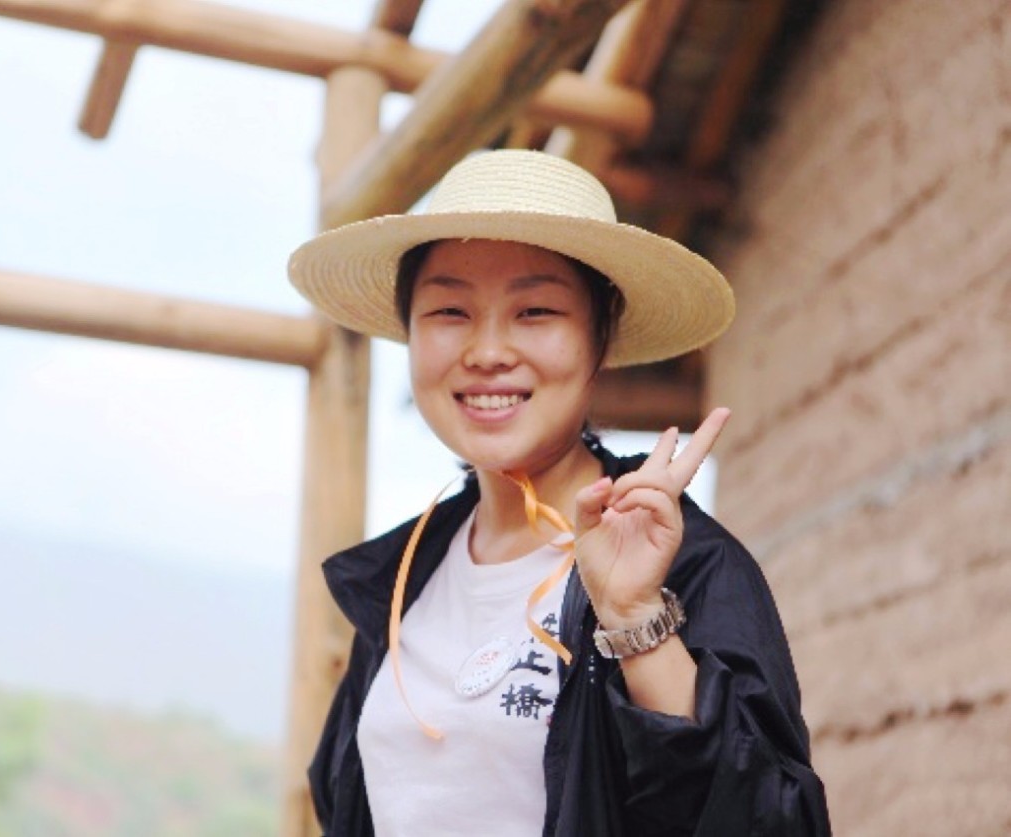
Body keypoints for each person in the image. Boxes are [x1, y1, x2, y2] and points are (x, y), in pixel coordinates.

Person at [287, 150, 830, 836]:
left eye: (535, 311)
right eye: (449, 310)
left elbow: (772, 821)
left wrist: (635, 619)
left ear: (601, 335)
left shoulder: (689, 564)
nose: (487, 351)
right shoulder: (400, 578)